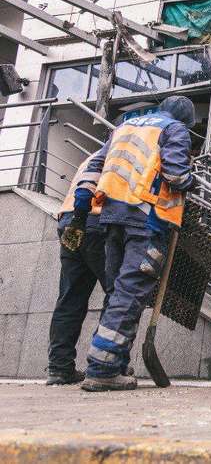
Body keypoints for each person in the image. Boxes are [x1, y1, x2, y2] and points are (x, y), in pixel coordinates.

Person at [72, 96, 196, 392]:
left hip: (112, 216)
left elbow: (96, 166)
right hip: (147, 218)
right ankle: (102, 369)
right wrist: (193, 182)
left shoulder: (125, 127)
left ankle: (113, 363)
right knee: (130, 292)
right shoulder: (174, 129)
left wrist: (82, 204)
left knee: (117, 291)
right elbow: (176, 174)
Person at [46, 153, 110, 385]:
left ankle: (59, 368)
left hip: (69, 223)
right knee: (116, 297)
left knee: (70, 297)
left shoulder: (91, 156)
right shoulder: (122, 151)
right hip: (97, 223)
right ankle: (103, 365)